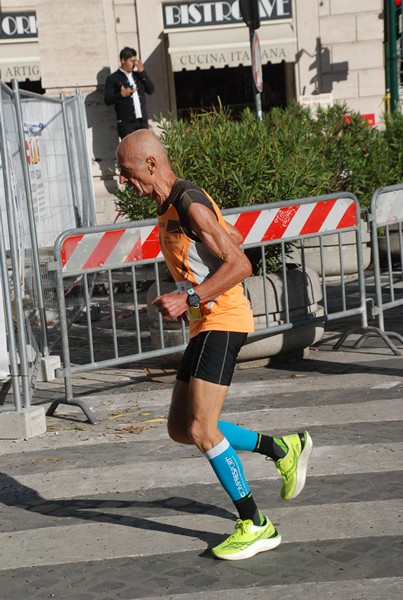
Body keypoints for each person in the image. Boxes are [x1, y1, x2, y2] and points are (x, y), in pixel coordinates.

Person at [116, 130, 313, 561]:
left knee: (203, 429)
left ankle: (255, 523)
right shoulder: (171, 204)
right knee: (181, 428)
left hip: (222, 320)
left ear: (151, 164)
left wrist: (188, 296)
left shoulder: (188, 202)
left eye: (127, 173)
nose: (124, 182)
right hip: (205, 322)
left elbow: (241, 263)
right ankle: (281, 448)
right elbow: (233, 241)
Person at [104, 47, 154, 139]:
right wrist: (121, 95)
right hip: (126, 124)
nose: (134, 64)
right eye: (131, 61)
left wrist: (142, 72)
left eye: (135, 61)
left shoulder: (138, 76)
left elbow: (151, 89)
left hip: (142, 122)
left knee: (143, 148)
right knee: (129, 151)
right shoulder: (113, 78)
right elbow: (107, 99)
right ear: (123, 60)